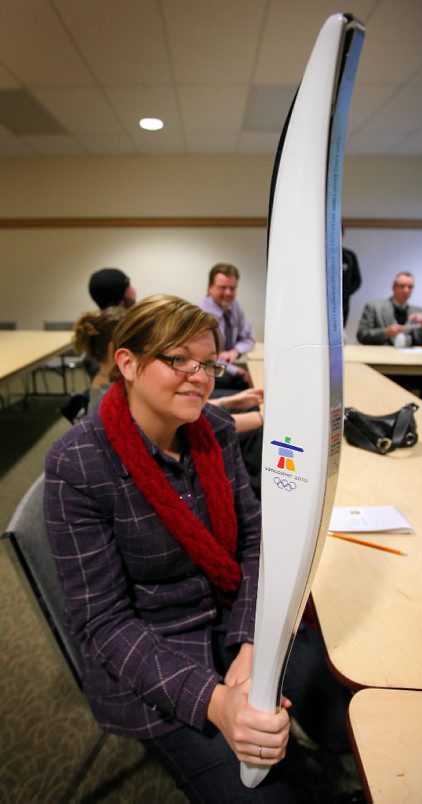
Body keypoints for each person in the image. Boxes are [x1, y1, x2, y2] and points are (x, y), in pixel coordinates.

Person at [44, 295, 349, 802]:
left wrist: (252, 642)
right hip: (155, 652)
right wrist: (215, 703)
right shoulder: (78, 465)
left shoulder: (215, 432)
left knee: (346, 717)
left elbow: (255, 541)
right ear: (127, 363)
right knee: (267, 794)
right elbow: (104, 625)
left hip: (232, 617)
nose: (200, 376)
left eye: (207, 363)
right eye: (177, 359)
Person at [72, 306, 264, 434]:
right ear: (125, 359)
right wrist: (259, 418)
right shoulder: (108, 408)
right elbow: (189, 425)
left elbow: (177, 406)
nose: (201, 378)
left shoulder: (115, 386)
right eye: (179, 359)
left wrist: (227, 402)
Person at [199, 263, 255, 393]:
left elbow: (248, 338)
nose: (228, 293)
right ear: (210, 288)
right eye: (223, 287)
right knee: (242, 383)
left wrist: (235, 351)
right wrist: (236, 371)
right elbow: (204, 358)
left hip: (226, 363)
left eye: (232, 288)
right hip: (209, 367)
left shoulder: (234, 307)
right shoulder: (202, 315)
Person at [356, 272, 422, 346]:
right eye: (402, 286)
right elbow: (361, 335)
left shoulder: (420, 313)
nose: (406, 290)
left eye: (410, 287)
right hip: (382, 357)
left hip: (413, 360)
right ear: (394, 287)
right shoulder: (374, 307)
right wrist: (385, 332)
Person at [341, 226, 362, 324]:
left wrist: (344, 293)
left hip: (343, 303)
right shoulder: (319, 254)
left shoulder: (349, 256)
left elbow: (357, 281)